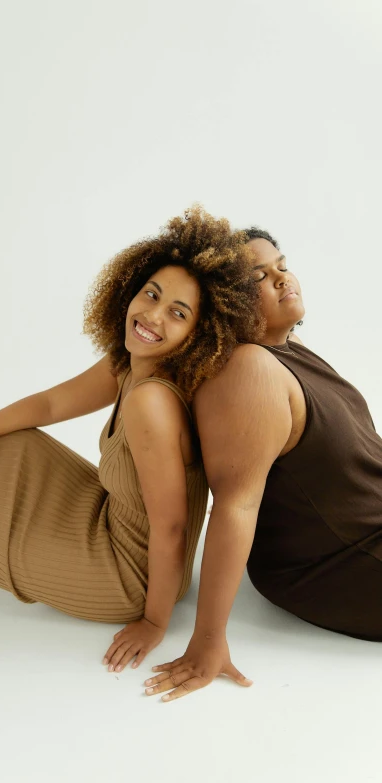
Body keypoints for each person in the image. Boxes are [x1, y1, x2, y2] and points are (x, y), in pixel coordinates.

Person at [0, 206, 261, 673]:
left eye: (177, 312)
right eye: (151, 294)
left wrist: (154, 621)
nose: (152, 315)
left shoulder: (151, 402)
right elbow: (50, 405)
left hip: (127, 573)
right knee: (12, 444)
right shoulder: (130, 365)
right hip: (113, 519)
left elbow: (171, 527)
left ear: (199, 334)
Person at [144, 227, 382, 702]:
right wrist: (208, 640)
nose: (281, 278)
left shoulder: (287, 350)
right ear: (227, 305)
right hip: (345, 563)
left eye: (281, 265)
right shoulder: (247, 370)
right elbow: (235, 506)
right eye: (259, 277)